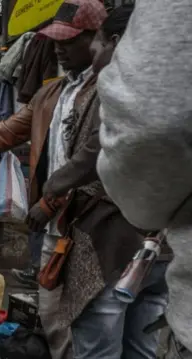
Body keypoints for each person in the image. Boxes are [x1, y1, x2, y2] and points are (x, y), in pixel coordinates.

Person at [0, 1, 108, 358]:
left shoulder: (107, 92)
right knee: (53, 316)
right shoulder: (53, 92)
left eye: (69, 40)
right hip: (54, 230)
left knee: (89, 324)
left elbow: (94, 162)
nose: (59, 47)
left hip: (95, 228)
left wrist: (50, 202)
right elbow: (4, 133)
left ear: (97, 39)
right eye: (57, 40)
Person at [96, 1, 192, 358]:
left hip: (128, 238)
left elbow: (151, 125)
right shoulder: (55, 93)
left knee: (107, 329)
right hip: (156, 252)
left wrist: (148, 208)